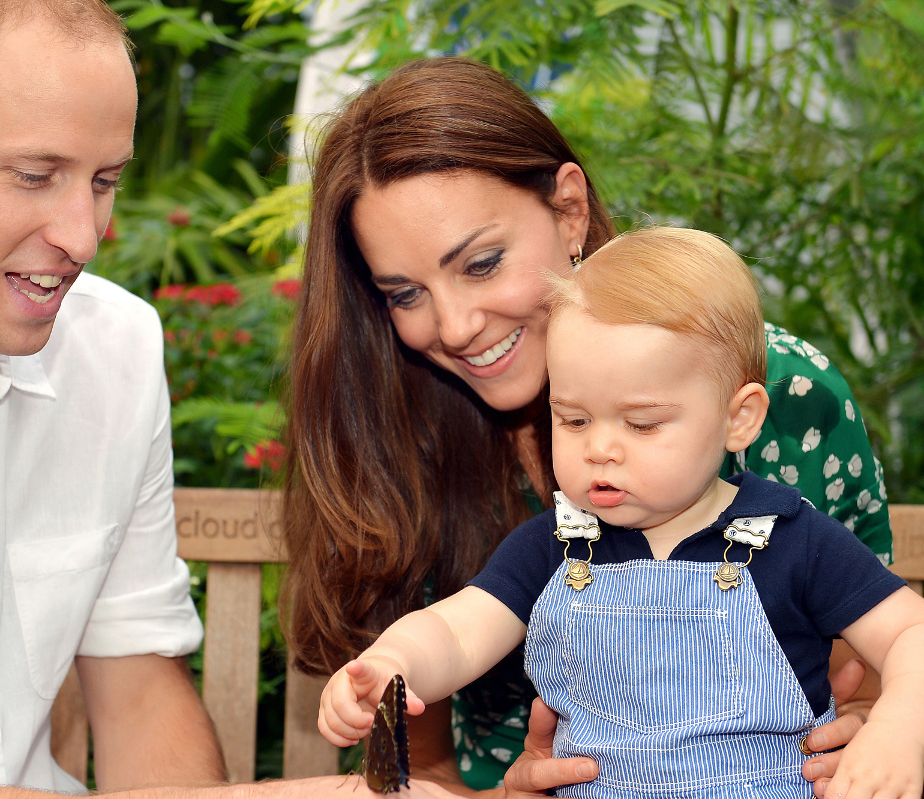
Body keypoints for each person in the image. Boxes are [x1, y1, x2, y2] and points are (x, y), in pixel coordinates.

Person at [0, 3, 469, 799]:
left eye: (105, 180)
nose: (83, 235)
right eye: (35, 175)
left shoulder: (112, 347)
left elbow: (140, 686)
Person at [281, 57, 893, 798]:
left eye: (481, 263)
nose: (455, 325)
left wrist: (870, 722)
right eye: (406, 292)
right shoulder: (404, 428)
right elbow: (426, 748)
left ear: (569, 211)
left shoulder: (773, 390)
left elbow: (879, 661)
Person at [319, 227, 924, 799]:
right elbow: (457, 632)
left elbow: (918, 635)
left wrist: (899, 732)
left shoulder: (791, 540)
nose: (599, 447)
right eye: (572, 419)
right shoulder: (555, 546)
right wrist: (393, 664)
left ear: (740, 418)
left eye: (642, 424)